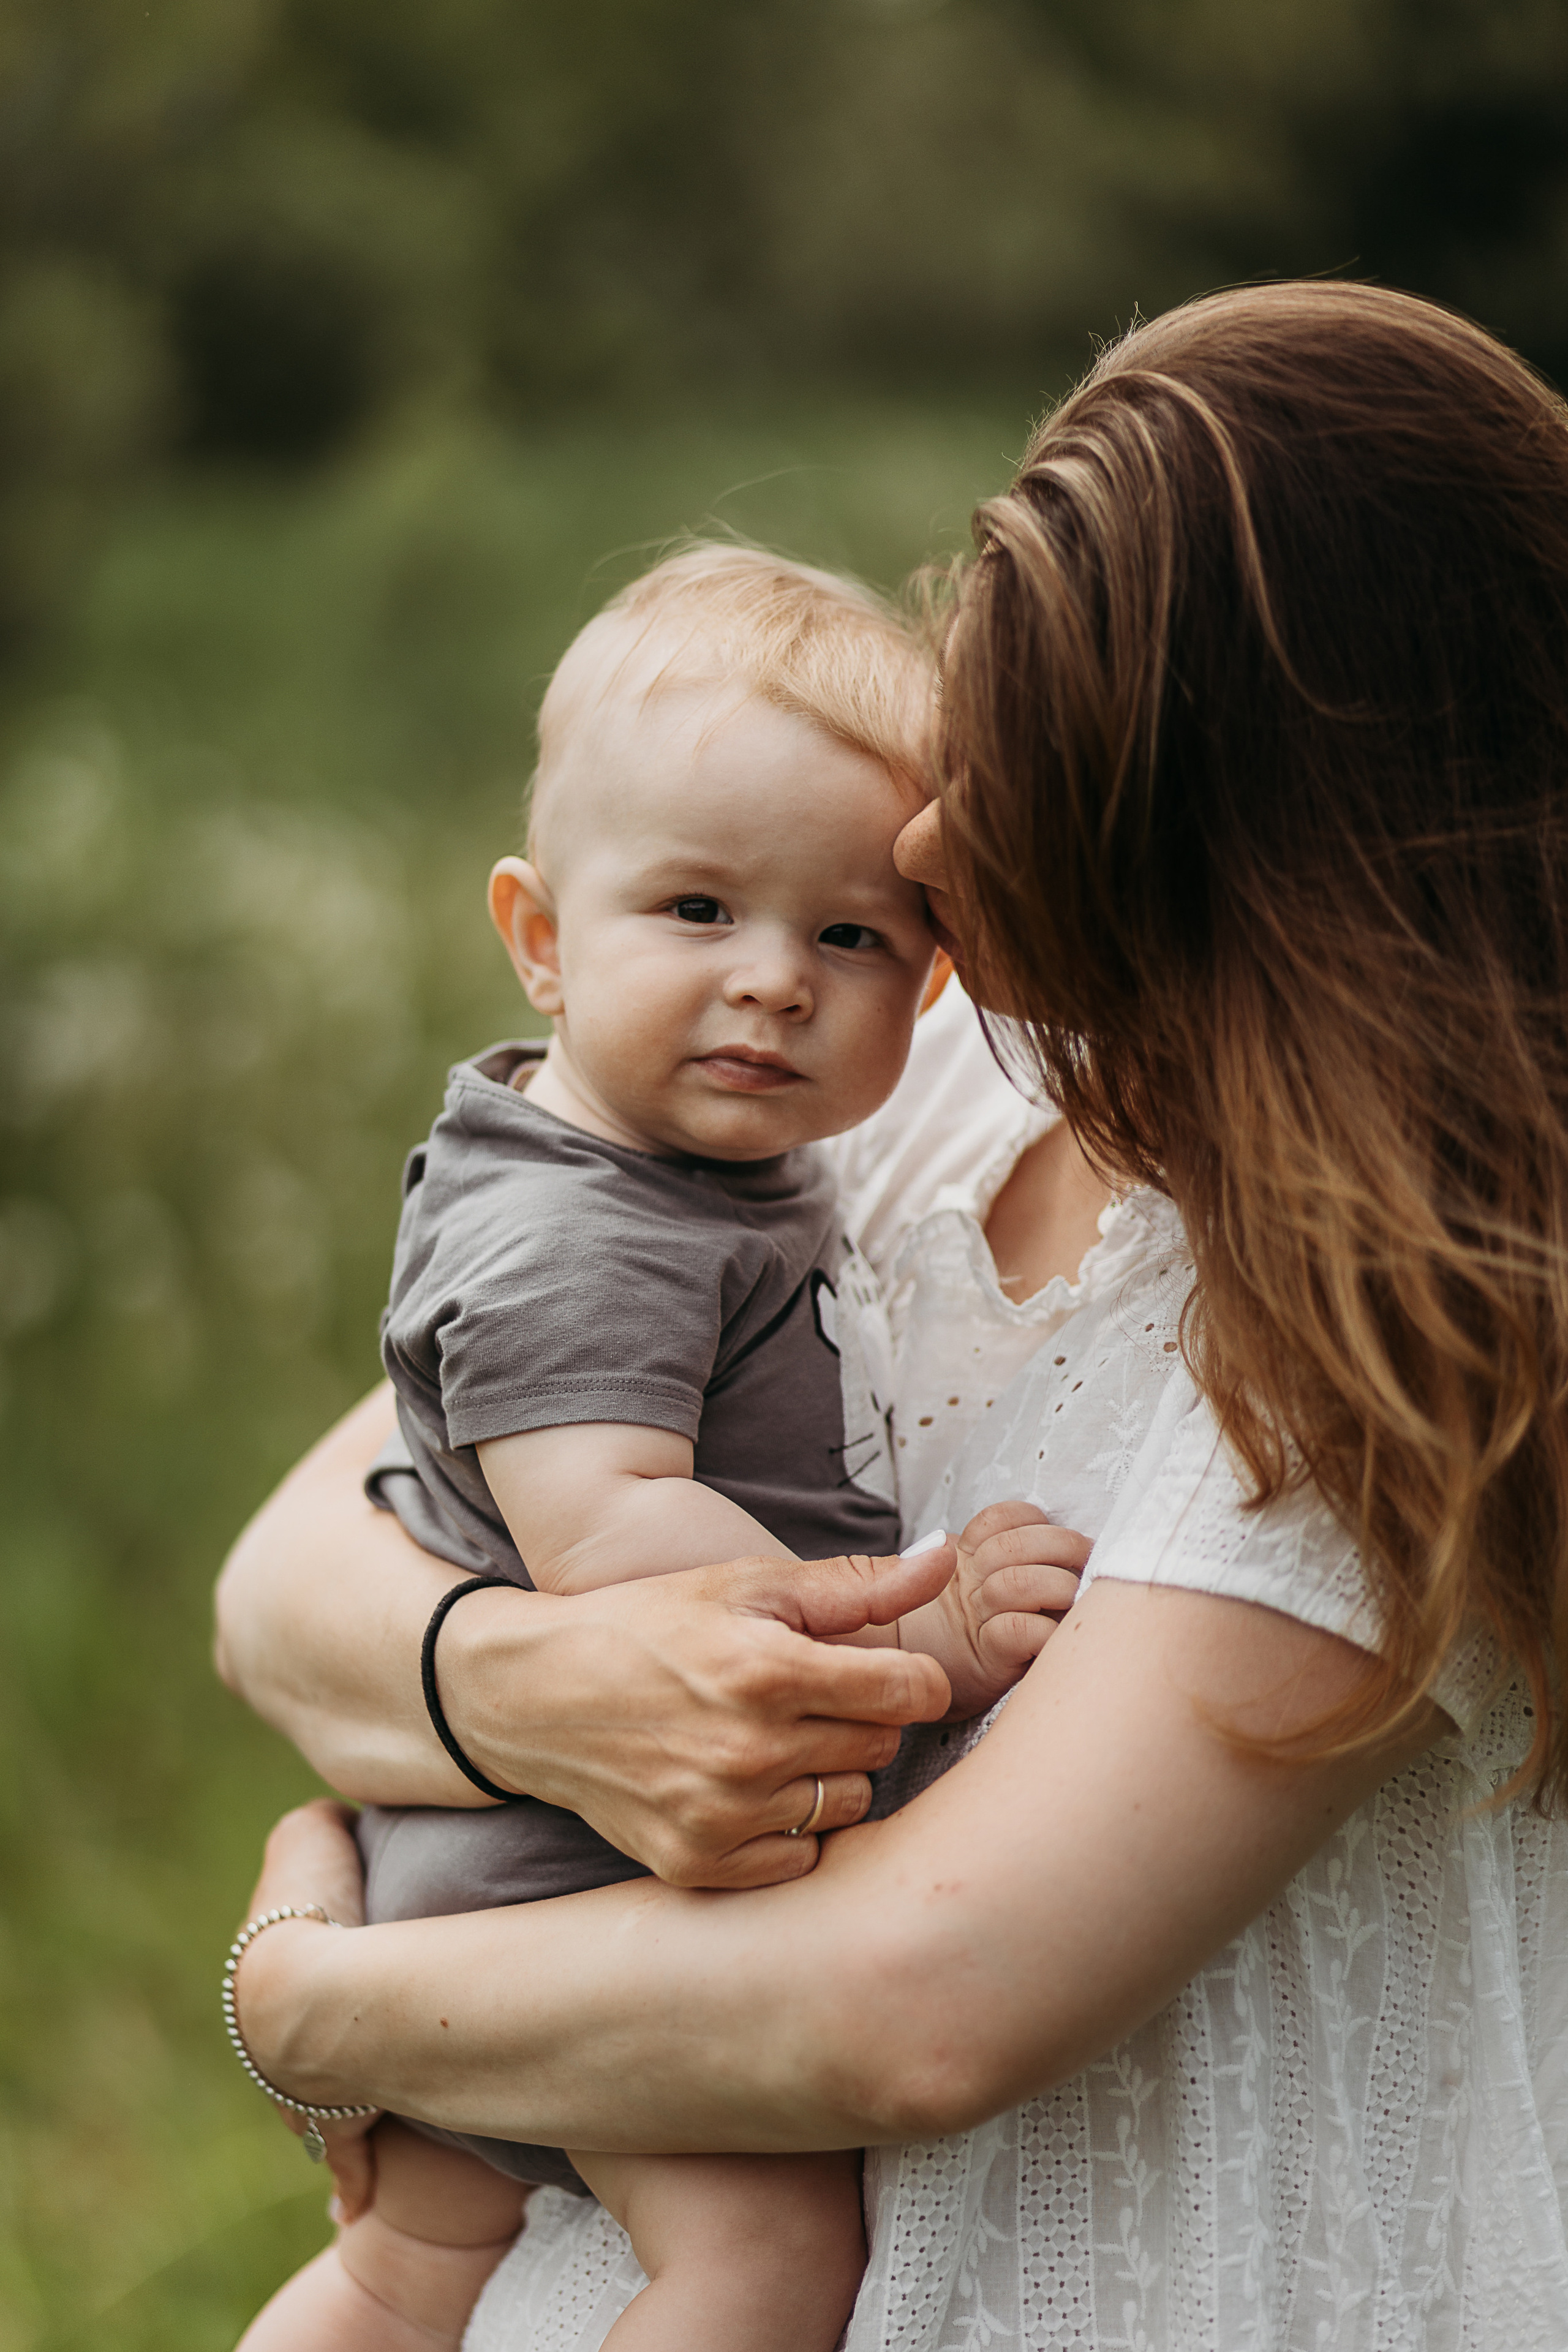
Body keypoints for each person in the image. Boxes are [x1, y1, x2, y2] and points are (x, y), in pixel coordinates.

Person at [216, 281, 1568, 2349]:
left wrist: (324, 1996)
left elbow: (917, 2002)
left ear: (1230, 818)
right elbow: (296, 1570)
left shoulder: (1395, 1325)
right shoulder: (914, 1075)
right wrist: (514, 1689)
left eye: (1025, 753)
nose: (919, 845)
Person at [233, 545, 1090, 2352]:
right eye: (698, 911)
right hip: (576, 1869)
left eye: (849, 935)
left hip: (497, 1857)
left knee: (405, 2273)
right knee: (768, 2265)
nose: (774, 982)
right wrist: (920, 1645)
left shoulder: (650, 1168)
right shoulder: (586, 1240)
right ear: (541, 937)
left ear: (930, 986)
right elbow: (613, 1548)